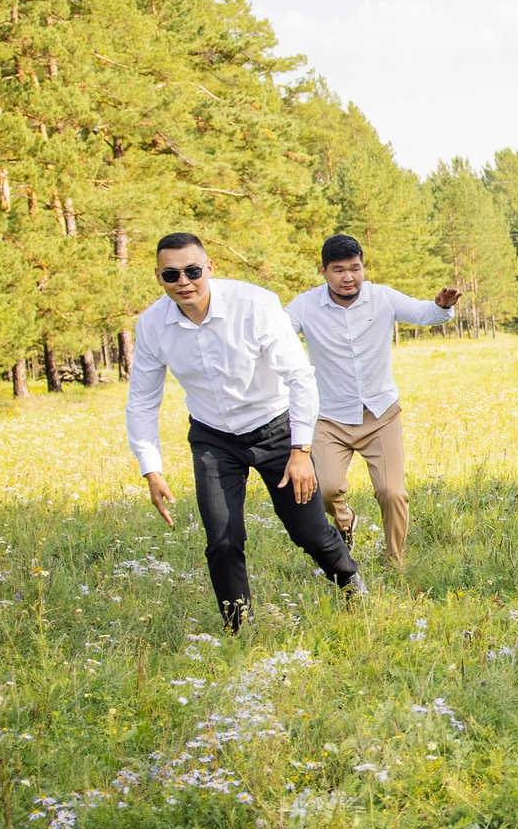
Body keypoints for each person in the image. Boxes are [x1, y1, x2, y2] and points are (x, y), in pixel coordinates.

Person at [125, 232, 365, 629]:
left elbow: (301, 378)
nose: (183, 281)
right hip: (212, 437)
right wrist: (151, 468)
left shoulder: (254, 304)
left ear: (209, 269)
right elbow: (142, 401)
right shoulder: (152, 326)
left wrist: (301, 451)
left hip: (276, 430)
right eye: (171, 274)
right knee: (222, 539)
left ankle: (349, 579)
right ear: (158, 277)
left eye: (192, 270)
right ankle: (239, 627)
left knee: (308, 532)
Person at [283, 233, 459, 569]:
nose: (348, 277)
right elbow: (277, 333)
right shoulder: (305, 305)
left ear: (363, 267)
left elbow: (425, 314)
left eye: (355, 268)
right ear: (323, 271)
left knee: (393, 493)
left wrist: (442, 306)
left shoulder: (383, 298)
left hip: (380, 415)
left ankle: (395, 560)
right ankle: (344, 527)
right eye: (338, 270)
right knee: (325, 490)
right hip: (329, 418)